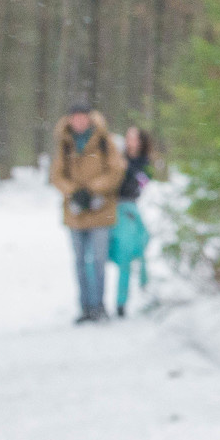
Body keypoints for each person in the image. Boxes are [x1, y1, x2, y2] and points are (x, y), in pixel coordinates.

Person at [49, 97, 122, 324]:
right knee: (80, 261)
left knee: (98, 261)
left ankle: (99, 306)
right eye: (75, 117)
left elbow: (116, 170)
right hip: (76, 213)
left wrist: (92, 190)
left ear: (89, 118)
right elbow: (57, 175)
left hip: (101, 210)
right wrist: (74, 193)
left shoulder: (103, 140)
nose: (78, 121)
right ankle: (85, 308)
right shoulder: (65, 142)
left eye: (82, 117)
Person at [108, 127, 152, 317]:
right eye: (128, 137)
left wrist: (129, 169)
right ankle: (116, 301)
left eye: (134, 138)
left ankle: (127, 297)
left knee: (134, 252)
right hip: (113, 210)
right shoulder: (117, 158)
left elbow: (143, 182)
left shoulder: (144, 163)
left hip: (131, 211)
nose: (130, 141)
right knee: (119, 255)